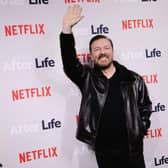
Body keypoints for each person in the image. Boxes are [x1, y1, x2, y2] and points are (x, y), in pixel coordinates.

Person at [60, 5, 152, 168]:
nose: (102, 52)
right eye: (96, 49)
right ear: (91, 56)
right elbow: (69, 64)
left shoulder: (133, 78)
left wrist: (140, 128)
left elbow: (145, 106)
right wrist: (66, 30)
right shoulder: (86, 77)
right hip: (104, 150)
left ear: (112, 51)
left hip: (132, 149)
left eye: (106, 48)